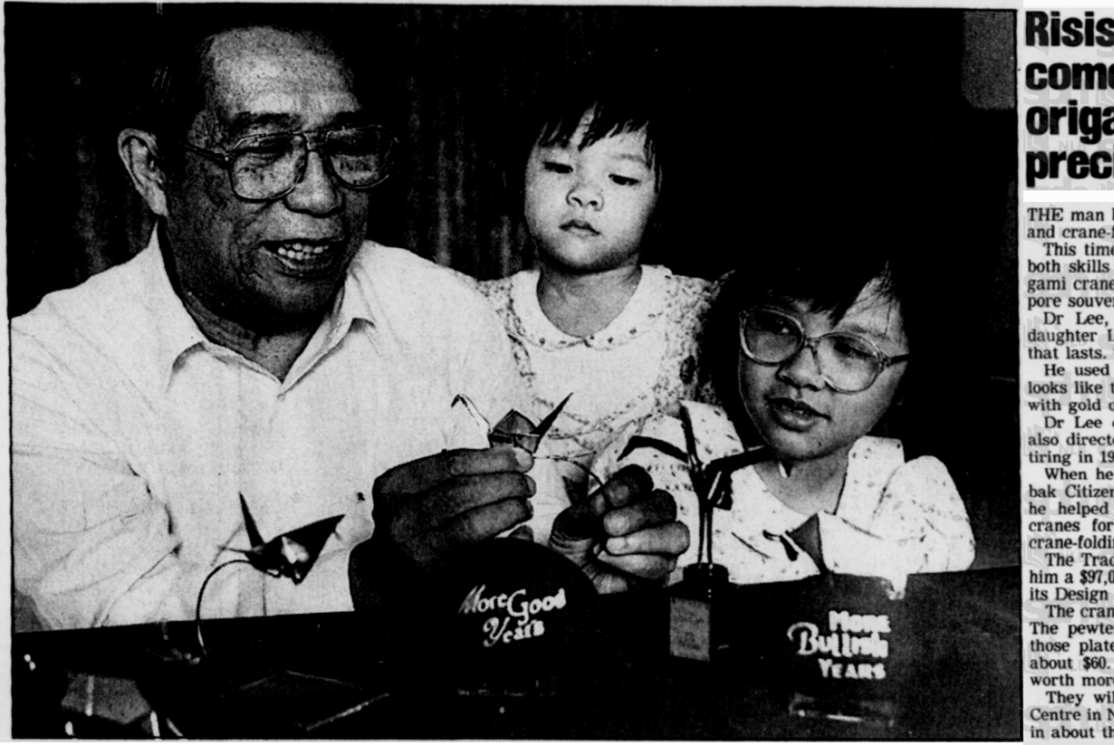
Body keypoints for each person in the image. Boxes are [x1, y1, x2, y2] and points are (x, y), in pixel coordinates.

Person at [11, 18, 687, 629]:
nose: (320, 194)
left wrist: (576, 563)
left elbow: (520, 557)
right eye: (263, 152)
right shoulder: (47, 366)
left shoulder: (445, 312)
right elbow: (114, 622)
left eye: (349, 146)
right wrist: (374, 578)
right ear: (152, 170)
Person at [596, 236, 975, 593]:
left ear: (907, 381)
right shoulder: (669, 457)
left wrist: (827, 543)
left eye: (850, 349)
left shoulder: (915, 490)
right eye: (777, 326)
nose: (801, 372)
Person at [479, 68, 715, 493]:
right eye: (559, 166)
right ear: (518, 180)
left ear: (662, 202)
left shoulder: (700, 312)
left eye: (621, 178)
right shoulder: (474, 310)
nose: (585, 194)